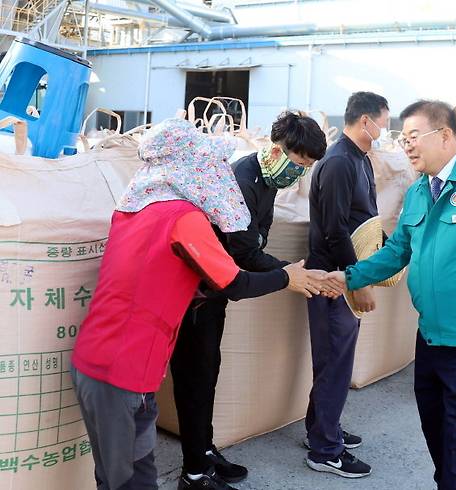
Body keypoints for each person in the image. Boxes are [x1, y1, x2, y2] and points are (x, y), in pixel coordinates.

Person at [70, 119, 317, 490]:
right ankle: (195, 470)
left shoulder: (133, 208)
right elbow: (234, 281)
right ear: (192, 168)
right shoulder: (184, 218)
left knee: (133, 474)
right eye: (213, 166)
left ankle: (198, 462)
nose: (219, 176)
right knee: (125, 481)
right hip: (122, 372)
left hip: (103, 364)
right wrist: (288, 277)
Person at [326, 99, 456, 489]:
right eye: (401, 137)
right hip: (430, 337)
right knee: (435, 428)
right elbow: (397, 251)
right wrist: (349, 277)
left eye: (412, 136)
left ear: (444, 135)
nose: (405, 145)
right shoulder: (421, 190)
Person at [170, 111, 332, 490]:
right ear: (277, 150)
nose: (300, 174)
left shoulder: (268, 182)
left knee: (208, 375)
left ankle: (204, 452)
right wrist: (292, 274)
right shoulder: (241, 180)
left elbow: (256, 241)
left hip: (214, 295)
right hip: (194, 297)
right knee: (195, 379)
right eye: (299, 163)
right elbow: (245, 252)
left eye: (307, 167)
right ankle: (193, 474)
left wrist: (290, 271)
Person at [304, 91, 390, 478]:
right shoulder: (339, 162)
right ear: (365, 120)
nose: (386, 129)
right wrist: (357, 282)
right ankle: (324, 451)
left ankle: (321, 430)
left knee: (333, 362)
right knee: (335, 363)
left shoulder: (358, 159)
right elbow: (336, 231)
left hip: (345, 274)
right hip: (333, 279)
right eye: (384, 121)